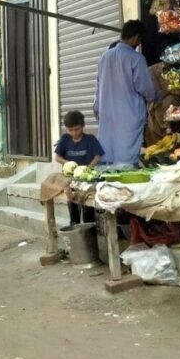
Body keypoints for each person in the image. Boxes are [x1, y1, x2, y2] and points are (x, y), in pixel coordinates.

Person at [95, 20, 158, 166]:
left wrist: (97, 108)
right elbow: (145, 87)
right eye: (139, 40)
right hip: (129, 114)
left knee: (108, 150)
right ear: (136, 38)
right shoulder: (136, 58)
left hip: (107, 114)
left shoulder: (104, 57)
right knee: (126, 155)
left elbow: (98, 86)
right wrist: (154, 97)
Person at [54, 110, 104, 226]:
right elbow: (57, 157)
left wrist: (87, 169)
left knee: (88, 213)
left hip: (87, 181)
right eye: (70, 130)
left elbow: (97, 157)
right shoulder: (65, 139)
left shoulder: (90, 139)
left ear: (83, 126)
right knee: (73, 211)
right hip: (71, 182)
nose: (74, 133)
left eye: (77, 129)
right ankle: (75, 233)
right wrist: (69, 163)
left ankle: (89, 236)